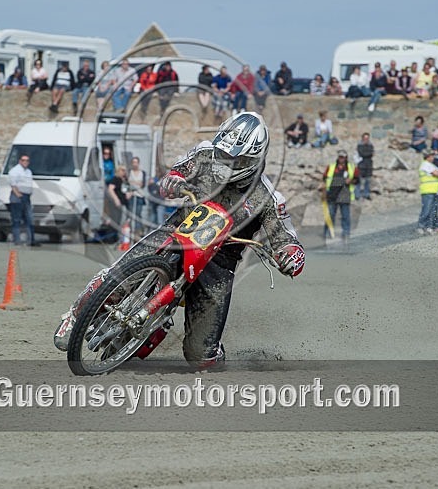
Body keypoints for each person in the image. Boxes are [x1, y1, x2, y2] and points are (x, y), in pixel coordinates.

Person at [53, 112, 305, 369]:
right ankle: (74, 315)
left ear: (253, 158)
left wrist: (290, 254)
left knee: (201, 358)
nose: (226, 161)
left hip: (219, 262)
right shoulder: (205, 153)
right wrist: (173, 180)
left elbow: (285, 237)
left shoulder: (269, 197)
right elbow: (175, 174)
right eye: (225, 154)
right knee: (119, 275)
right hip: (178, 229)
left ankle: (211, 348)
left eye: (235, 158)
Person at [321, 149, 358, 242]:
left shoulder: (351, 167)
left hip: (344, 195)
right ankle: (327, 233)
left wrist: (351, 180)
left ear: (346, 158)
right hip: (332, 194)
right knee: (330, 215)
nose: (341, 159)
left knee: (345, 216)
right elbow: (324, 179)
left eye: (343, 157)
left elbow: (357, 180)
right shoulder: (331, 167)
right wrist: (324, 192)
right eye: (340, 157)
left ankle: (346, 234)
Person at [8, 154, 37, 246]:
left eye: (27, 160)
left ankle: (31, 240)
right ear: (20, 161)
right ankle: (17, 240)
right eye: (23, 160)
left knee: (29, 219)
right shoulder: (15, 171)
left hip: (27, 196)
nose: (25, 162)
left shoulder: (29, 171)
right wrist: (18, 195)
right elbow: (13, 184)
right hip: (18, 196)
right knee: (16, 219)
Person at [417, 150, 438, 235]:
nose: (433, 157)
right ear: (427, 156)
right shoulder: (425, 164)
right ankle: (421, 226)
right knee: (426, 209)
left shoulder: (431, 165)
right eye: (431, 156)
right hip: (427, 190)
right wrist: (437, 173)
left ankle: (429, 226)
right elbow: (436, 173)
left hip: (435, 190)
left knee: (433, 210)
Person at [127, 157, 147, 236]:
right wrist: (136, 183)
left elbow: (142, 184)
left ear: (138, 163)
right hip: (131, 195)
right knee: (132, 213)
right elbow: (128, 183)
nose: (135, 164)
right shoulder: (129, 172)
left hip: (139, 196)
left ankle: (139, 231)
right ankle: (132, 230)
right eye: (133, 162)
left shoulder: (142, 173)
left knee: (138, 214)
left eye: (136, 162)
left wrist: (133, 183)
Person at [355, 133, 374, 200]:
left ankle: (367, 194)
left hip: (369, 165)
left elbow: (371, 153)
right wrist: (368, 154)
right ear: (362, 138)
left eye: (367, 138)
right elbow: (362, 153)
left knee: (368, 181)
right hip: (361, 165)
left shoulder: (371, 145)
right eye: (365, 138)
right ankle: (357, 195)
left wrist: (367, 154)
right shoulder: (359, 146)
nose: (366, 140)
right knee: (359, 180)